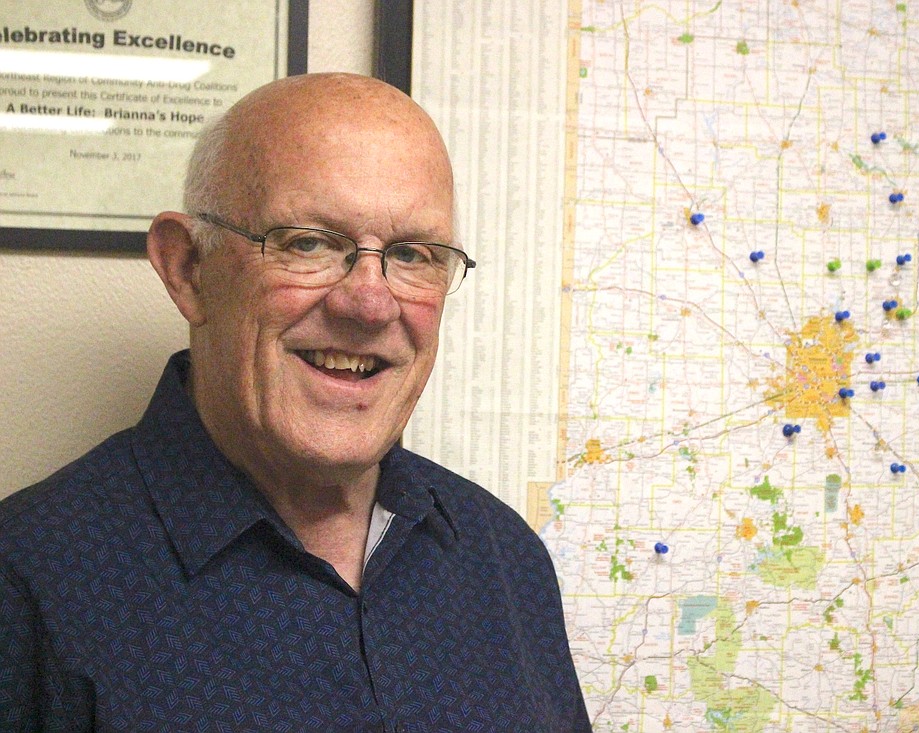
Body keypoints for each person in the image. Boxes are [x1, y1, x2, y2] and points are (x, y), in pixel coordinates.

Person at [0, 73, 590, 732]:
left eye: (413, 254)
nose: (369, 302)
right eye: (308, 241)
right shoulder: (29, 580)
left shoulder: (506, 560)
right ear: (188, 267)